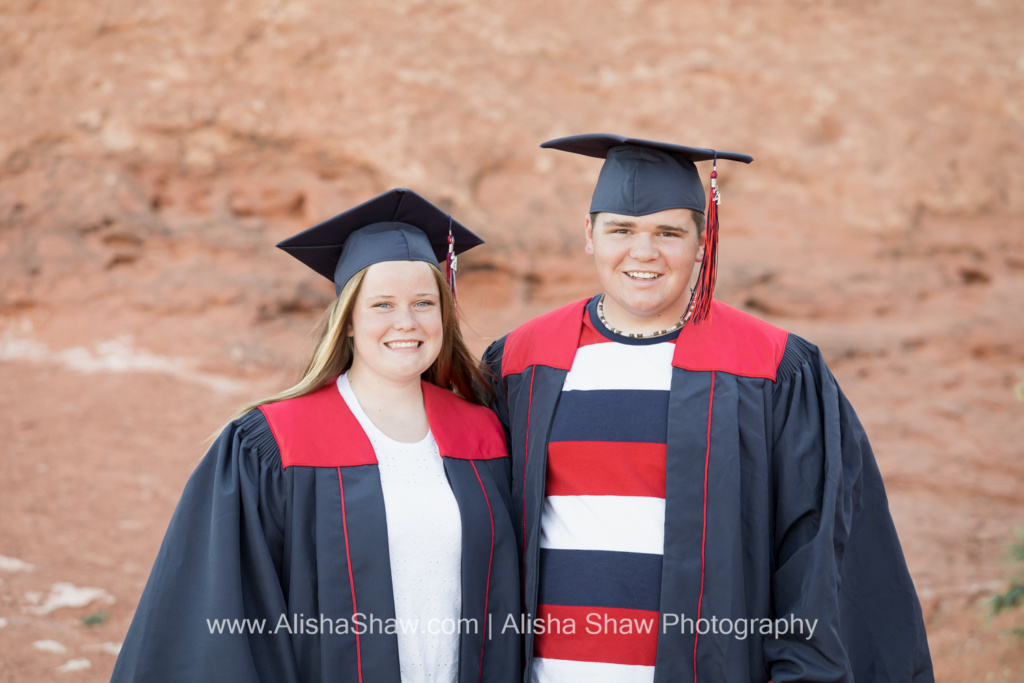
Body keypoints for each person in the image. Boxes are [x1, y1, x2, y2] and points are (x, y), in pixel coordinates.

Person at [482, 134, 933, 682]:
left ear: (703, 240)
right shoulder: (521, 362)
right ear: (589, 236)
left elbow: (818, 557)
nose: (642, 252)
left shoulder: (770, 367)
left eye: (667, 233)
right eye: (621, 230)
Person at [113, 188, 520, 683]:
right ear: (347, 320)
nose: (406, 323)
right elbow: (216, 607)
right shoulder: (274, 442)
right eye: (382, 305)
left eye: (423, 303)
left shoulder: (484, 435)